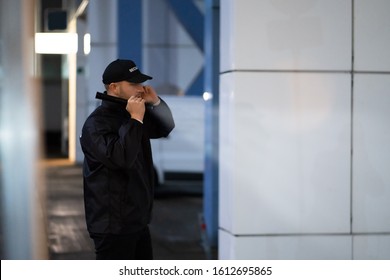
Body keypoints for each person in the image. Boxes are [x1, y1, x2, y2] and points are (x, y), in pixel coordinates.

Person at [79, 59, 175, 260]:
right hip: (113, 225)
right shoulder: (96, 125)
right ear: (113, 87)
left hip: (137, 220)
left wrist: (155, 102)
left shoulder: (131, 114)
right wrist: (135, 120)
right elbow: (121, 158)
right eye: (133, 84)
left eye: (141, 83)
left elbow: (165, 127)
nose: (140, 89)